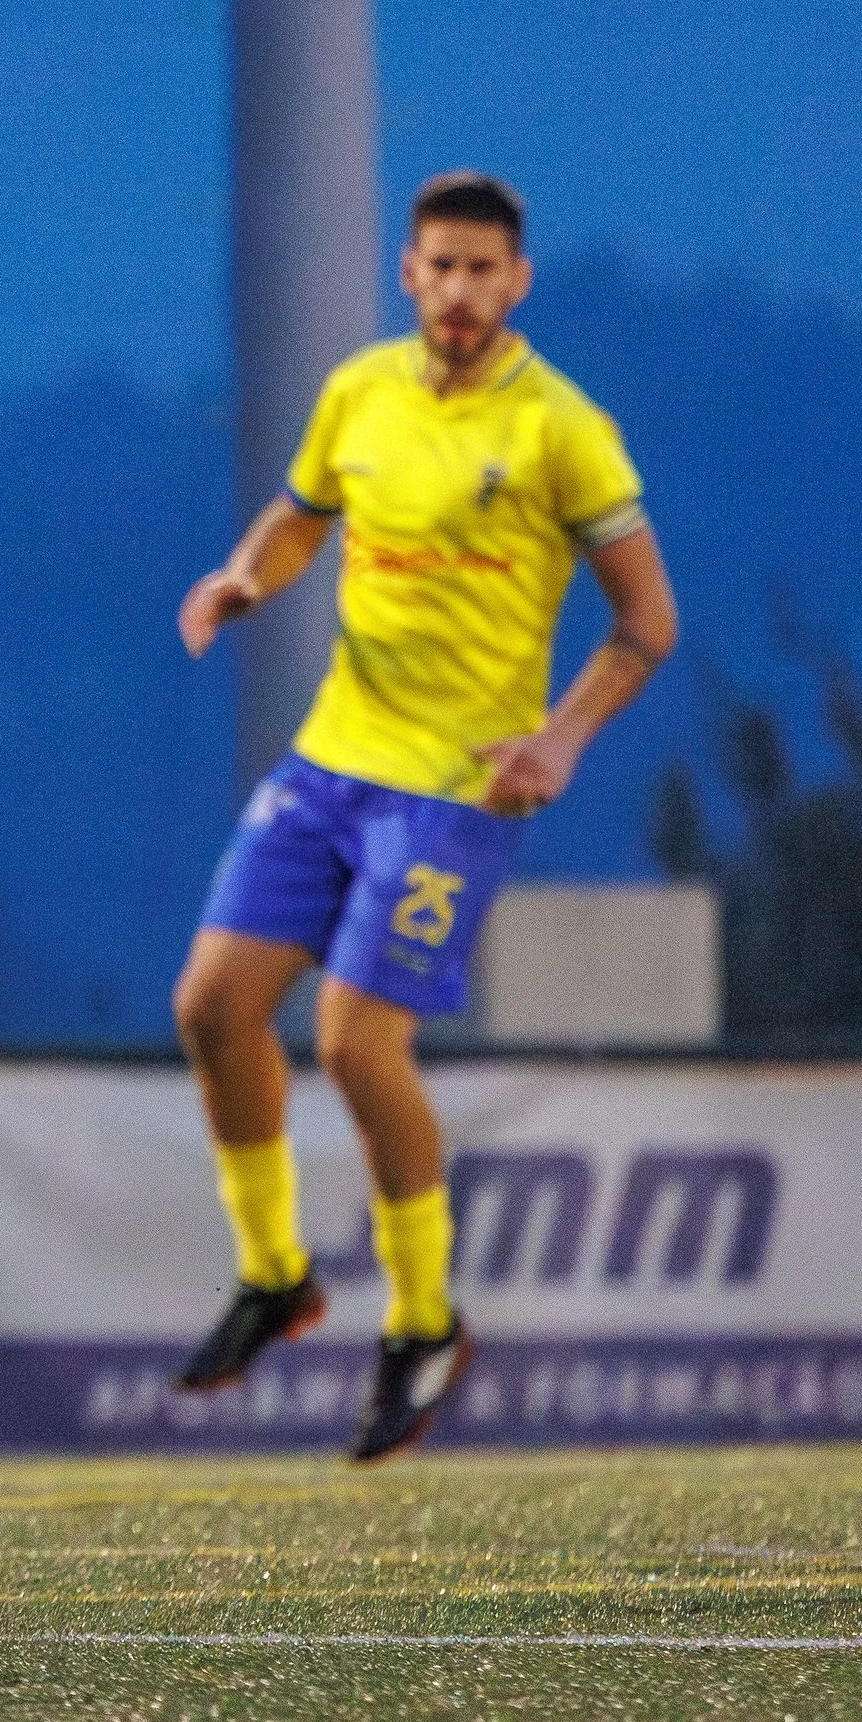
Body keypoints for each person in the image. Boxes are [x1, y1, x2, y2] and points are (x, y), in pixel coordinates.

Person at [171, 171, 677, 1460]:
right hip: (332, 759)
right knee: (214, 1007)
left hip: (456, 788)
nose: (459, 290)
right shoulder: (361, 391)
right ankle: (275, 1274)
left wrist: (562, 738)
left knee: (355, 1045)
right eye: (440, 267)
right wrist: (244, 578)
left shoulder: (564, 428)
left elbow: (647, 622)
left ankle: (422, 1320)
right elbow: (300, 520)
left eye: (482, 270)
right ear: (409, 274)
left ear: (518, 283)